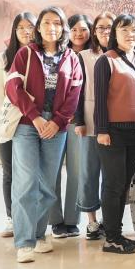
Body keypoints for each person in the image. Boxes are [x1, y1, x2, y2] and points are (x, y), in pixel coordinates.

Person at [5, 6, 83, 263]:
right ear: (38, 27)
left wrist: (58, 122)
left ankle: (38, 235)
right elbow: (12, 87)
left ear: (63, 28)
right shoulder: (26, 53)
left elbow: (74, 94)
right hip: (27, 124)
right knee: (26, 182)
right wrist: (35, 116)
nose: (52, 27)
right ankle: (24, 242)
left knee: (48, 185)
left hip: (56, 128)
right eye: (47, 22)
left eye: (57, 23)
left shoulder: (71, 58)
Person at [93, 14, 135, 254]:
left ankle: (117, 233)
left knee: (124, 184)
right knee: (113, 184)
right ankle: (111, 239)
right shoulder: (106, 60)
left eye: (134, 29)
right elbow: (100, 98)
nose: (130, 34)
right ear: (115, 33)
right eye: (124, 29)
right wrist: (102, 130)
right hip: (113, 132)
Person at [0, 11, 36, 238]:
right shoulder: (4, 59)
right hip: (9, 123)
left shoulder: (40, 56)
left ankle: (31, 218)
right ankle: (11, 217)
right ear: (14, 31)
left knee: (31, 173)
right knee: (10, 172)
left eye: (30, 27)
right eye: (21, 27)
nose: (26, 32)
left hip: (32, 123)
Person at [73, 11, 114, 241]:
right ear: (94, 32)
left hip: (116, 124)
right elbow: (77, 90)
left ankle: (110, 220)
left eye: (109, 27)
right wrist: (79, 120)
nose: (105, 32)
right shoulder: (84, 56)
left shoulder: (122, 55)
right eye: (101, 28)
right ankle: (91, 221)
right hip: (90, 122)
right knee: (89, 173)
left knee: (111, 175)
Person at [49, 13, 91, 238]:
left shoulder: (94, 55)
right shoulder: (59, 55)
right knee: (53, 171)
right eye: (74, 29)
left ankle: (72, 220)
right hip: (56, 121)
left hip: (78, 124)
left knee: (77, 172)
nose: (78, 34)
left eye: (83, 29)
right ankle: (55, 220)